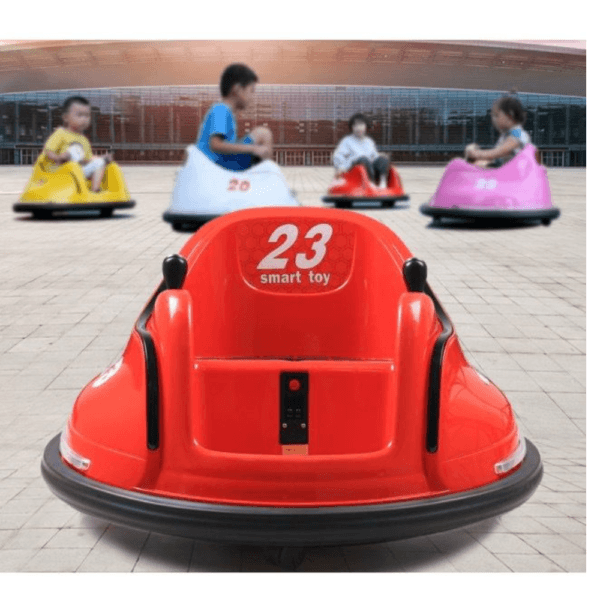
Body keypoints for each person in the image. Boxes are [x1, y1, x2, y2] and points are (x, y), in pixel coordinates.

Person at [197, 63, 272, 171]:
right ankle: (267, 181)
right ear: (237, 90)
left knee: (262, 133)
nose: (252, 97)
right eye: (251, 91)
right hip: (216, 166)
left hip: (221, 162)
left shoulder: (225, 111)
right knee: (264, 134)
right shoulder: (220, 109)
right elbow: (215, 145)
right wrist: (254, 148)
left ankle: (263, 178)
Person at [42, 96, 112, 192]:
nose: (84, 119)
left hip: (79, 171)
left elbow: (87, 158)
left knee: (99, 163)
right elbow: (49, 151)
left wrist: (102, 159)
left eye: (87, 116)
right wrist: (59, 158)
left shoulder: (84, 140)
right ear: (66, 117)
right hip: (62, 172)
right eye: (79, 115)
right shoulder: (61, 133)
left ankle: (95, 190)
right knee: (74, 149)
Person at [465, 94, 531, 167]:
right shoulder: (505, 135)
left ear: (510, 115)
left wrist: (478, 154)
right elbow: (496, 158)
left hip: (515, 175)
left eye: (497, 115)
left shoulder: (517, 133)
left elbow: (501, 151)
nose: (493, 119)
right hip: (506, 172)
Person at [332, 113, 390, 187]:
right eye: (355, 125)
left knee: (383, 159)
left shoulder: (369, 141)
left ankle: (382, 183)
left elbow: (374, 156)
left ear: (366, 126)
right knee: (364, 159)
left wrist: (381, 157)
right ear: (352, 127)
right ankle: (371, 183)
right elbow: (338, 155)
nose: (359, 128)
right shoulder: (347, 141)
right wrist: (341, 167)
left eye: (361, 124)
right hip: (354, 169)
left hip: (369, 167)